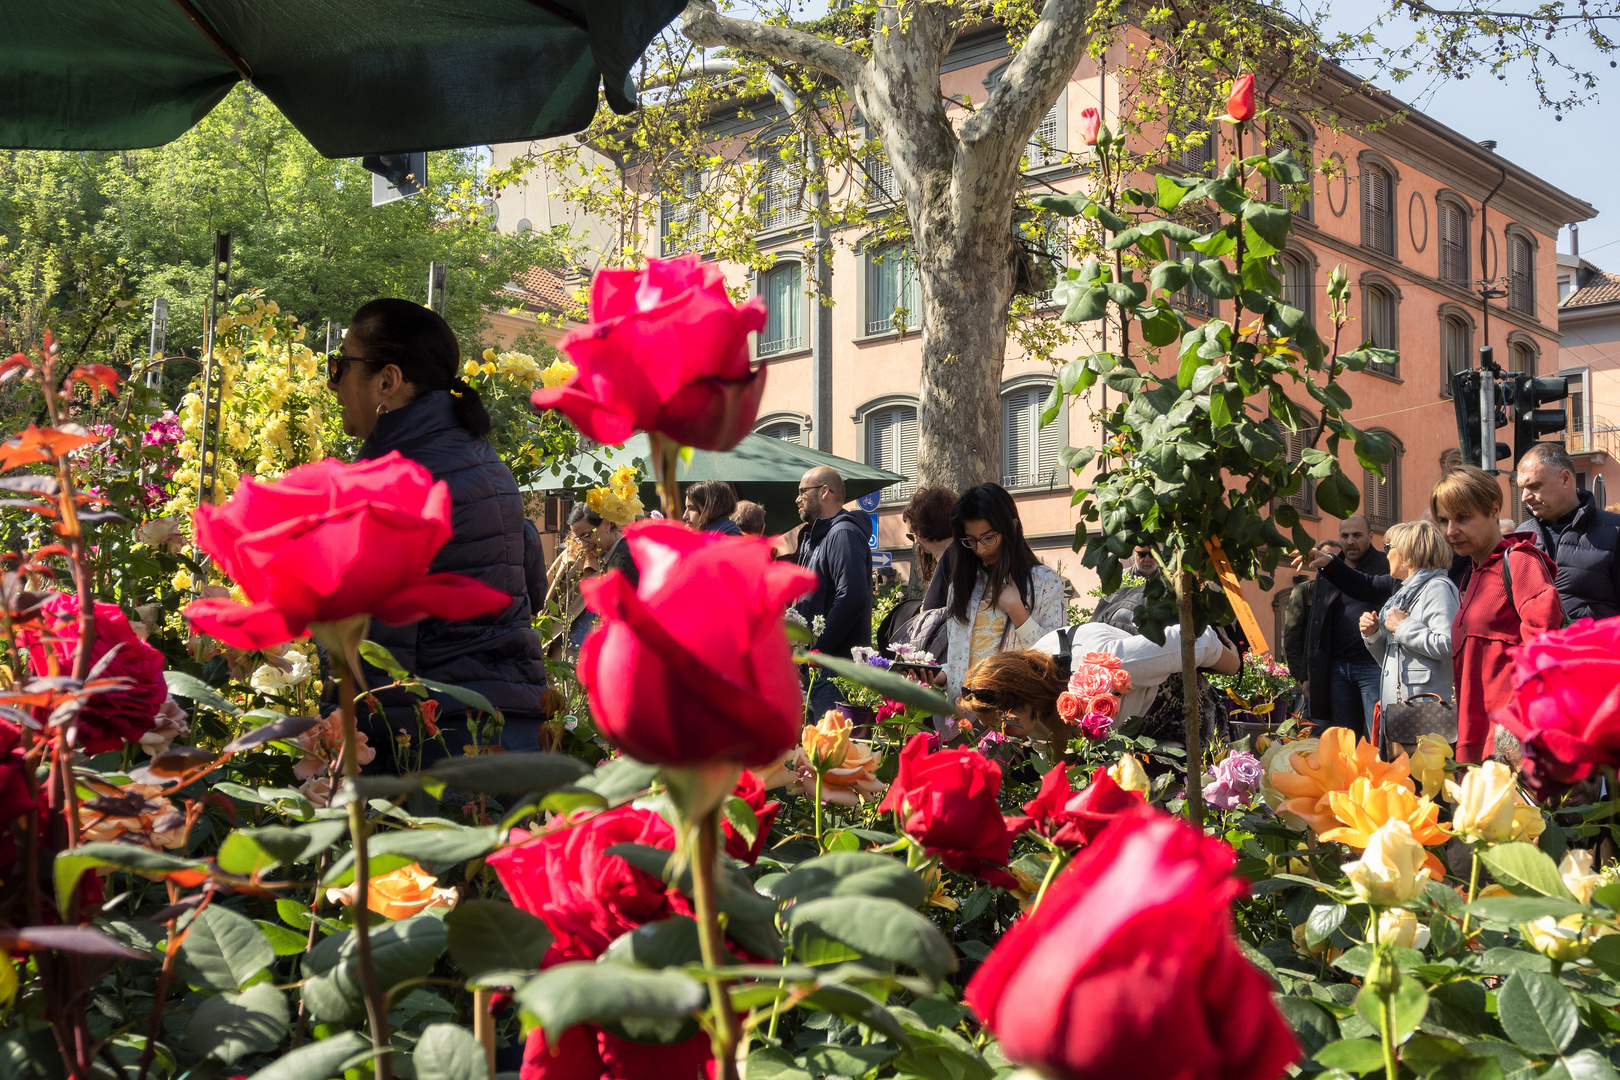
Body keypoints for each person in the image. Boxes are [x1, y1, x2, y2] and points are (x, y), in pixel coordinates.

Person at [329, 298, 546, 757]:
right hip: (510, 732)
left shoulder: (396, 478)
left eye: (339, 365)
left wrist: (352, 758)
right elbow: (531, 590)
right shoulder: (483, 459)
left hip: (434, 746)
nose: (333, 384)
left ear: (387, 381)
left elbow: (376, 654)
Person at [1432, 466, 1563, 763]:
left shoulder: (1519, 561)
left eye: (1463, 517)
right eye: (1444, 520)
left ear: (1493, 510)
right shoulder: (1472, 573)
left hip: (1510, 739)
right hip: (1476, 734)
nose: (1451, 530)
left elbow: (1543, 647)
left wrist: (1517, 728)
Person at [964, 624, 1241, 744]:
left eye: (1001, 723)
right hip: (1131, 745)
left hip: (1183, 714)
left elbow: (1193, 639)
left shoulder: (1101, 664)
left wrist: (1234, 664)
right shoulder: (1032, 701)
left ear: (1023, 694)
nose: (1001, 732)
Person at [941, 484, 1065, 701]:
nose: (980, 549)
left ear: (1012, 527)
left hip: (1011, 721)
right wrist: (938, 676)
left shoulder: (1045, 582)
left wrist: (1017, 611)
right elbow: (958, 662)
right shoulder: (961, 587)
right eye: (970, 540)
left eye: (988, 537)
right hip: (960, 720)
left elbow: (1054, 660)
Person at [1354, 520, 1460, 715]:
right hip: (1402, 709)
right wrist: (1374, 635)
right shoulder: (1405, 593)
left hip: (1429, 710)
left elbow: (1448, 645)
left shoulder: (1437, 587)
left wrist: (1402, 626)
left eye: (1389, 547)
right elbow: (1392, 660)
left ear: (1408, 550)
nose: (1385, 554)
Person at [794, 467, 873, 715]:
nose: (797, 499)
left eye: (802, 492)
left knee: (832, 751)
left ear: (824, 491)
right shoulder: (820, 536)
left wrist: (819, 651)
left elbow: (851, 597)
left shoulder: (842, 533)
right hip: (820, 669)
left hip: (834, 671)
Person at [1301, 515, 1390, 737]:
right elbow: (1315, 624)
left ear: (1370, 536)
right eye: (1345, 536)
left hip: (1374, 667)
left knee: (1377, 740)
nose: (1350, 541)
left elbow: (1365, 586)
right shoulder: (1327, 568)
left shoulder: (1386, 566)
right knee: (1344, 741)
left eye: (1357, 535)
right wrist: (1307, 673)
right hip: (1337, 669)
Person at [1514, 442, 1620, 621]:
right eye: (1522, 488)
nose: (1525, 497)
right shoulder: (1522, 535)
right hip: (1537, 648)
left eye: (1534, 486)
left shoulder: (1615, 531)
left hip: (1597, 647)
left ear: (1565, 479)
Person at [901, 485, 958, 608]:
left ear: (922, 529)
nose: (915, 541)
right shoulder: (953, 554)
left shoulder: (951, 559)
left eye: (913, 533)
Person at [1091, 544, 1162, 631]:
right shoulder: (1119, 577)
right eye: (1142, 554)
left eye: (1151, 555)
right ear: (1134, 554)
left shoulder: (1167, 582)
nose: (1147, 559)